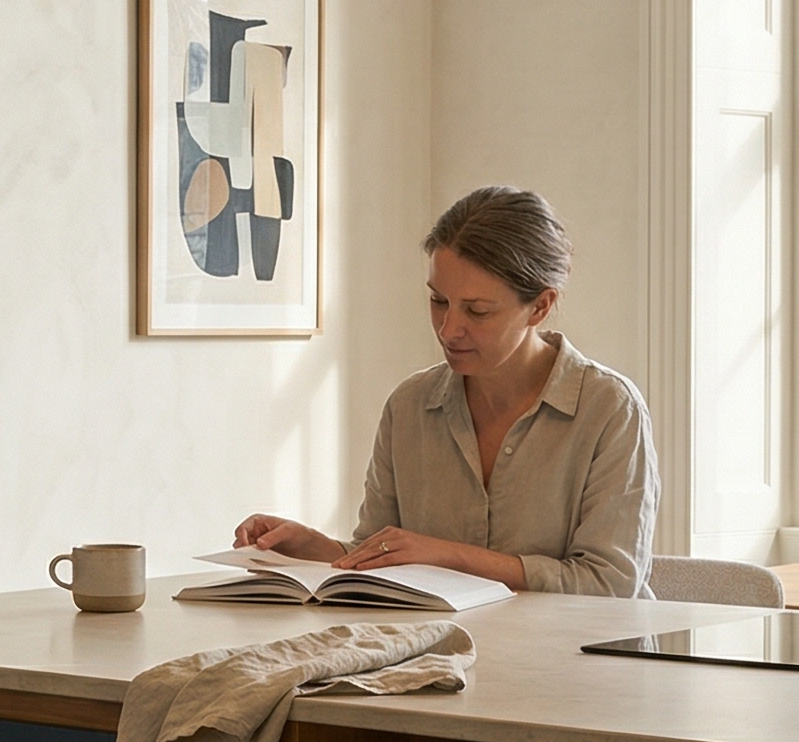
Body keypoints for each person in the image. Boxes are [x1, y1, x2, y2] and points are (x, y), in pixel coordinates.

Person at [235, 185, 658, 596]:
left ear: (540, 306)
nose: (448, 329)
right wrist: (314, 549)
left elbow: (610, 583)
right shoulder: (410, 406)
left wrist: (446, 556)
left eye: (477, 311)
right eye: (439, 301)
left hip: (580, 646)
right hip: (438, 644)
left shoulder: (609, 410)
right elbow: (382, 555)